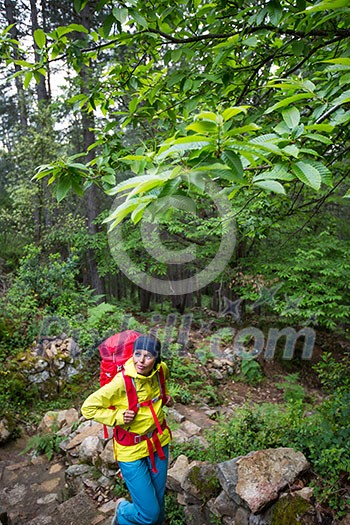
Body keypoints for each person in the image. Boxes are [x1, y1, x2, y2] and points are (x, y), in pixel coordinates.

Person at [81, 334, 174, 525]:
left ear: (157, 358)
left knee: (158, 505)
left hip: (158, 443)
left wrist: (166, 398)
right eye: (137, 354)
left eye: (147, 356)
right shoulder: (121, 382)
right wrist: (117, 417)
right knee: (148, 513)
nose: (141, 360)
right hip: (130, 451)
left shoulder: (161, 371)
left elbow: (159, 391)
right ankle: (122, 512)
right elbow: (88, 408)